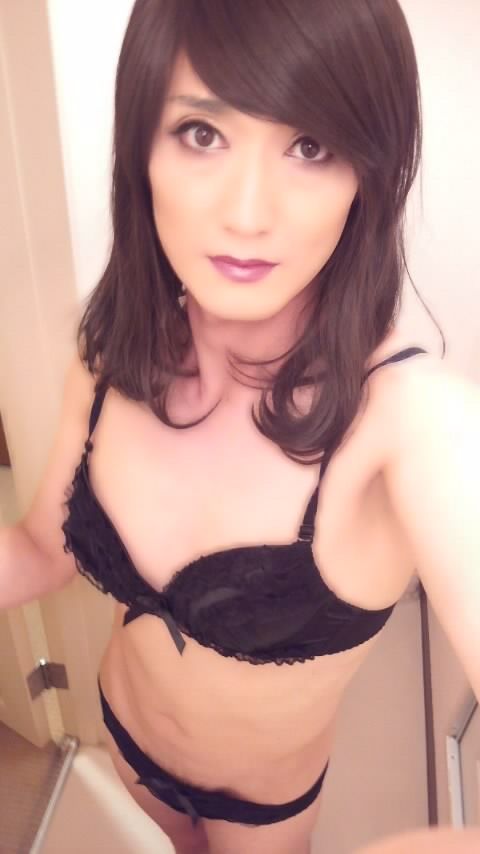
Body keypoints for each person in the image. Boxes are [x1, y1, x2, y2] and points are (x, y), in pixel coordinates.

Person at [2, 2, 479, 854]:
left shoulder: (416, 421)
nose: (248, 213)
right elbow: (42, 549)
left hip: (264, 808)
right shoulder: (110, 355)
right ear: (141, 148)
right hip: (125, 739)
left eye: (310, 146)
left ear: (369, 171)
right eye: (202, 133)